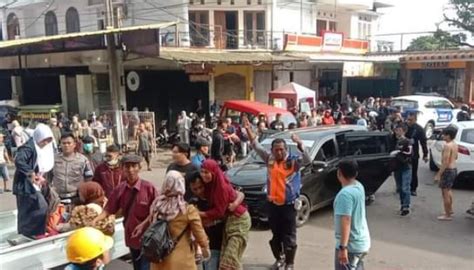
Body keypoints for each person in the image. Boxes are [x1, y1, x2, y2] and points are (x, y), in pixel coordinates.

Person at [243, 117, 311, 270]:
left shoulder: (293, 162)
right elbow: (256, 145)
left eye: (282, 149)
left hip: (289, 206)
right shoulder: (270, 160)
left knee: (289, 237)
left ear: (286, 150)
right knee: (276, 237)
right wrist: (248, 129)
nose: (279, 152)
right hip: (273, 205)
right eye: (276, 150)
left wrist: (300, 144)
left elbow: (307, 160)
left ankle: (290, 263)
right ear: (272, 151)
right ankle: (279, 259)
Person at [93, 154, 158, 270]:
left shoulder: (149, 188)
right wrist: (95, 220)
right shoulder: (120, 189)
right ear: (122, 169)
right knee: (137, 266)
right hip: (131, 237)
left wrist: (144, 224)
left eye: (134, 166)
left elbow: (157, 212)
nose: (131, 170)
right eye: (127, 167)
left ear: (140, 167)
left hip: (148, 238)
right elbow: (109, 209)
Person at [138, 171, 210, 270]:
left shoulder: (157, 205)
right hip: (182, 262)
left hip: (159, 260)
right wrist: (205, 248)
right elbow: (200, 234)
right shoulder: (187, 210)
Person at [199, 160, 251, 270]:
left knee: (229, 259)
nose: (204, 175)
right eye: (202, 172)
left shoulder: (221, 187)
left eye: (207, 172)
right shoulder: (211, 185)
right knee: (229, 259)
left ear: (214, 173)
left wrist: (200, 214)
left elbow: (219, 212)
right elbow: (239, 194)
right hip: (229, 224)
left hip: (239, 221)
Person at [13, 124, 55, 238]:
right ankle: (29, 232)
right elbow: (19, 161)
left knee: (32, 208)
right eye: (44, 140)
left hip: (33, 185)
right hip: (24, 186)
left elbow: (40, 166)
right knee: (39, 206)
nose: (46, 143)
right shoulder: (28, 147)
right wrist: (30, 173)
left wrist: (38, 176)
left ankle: (33, 232)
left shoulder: (39, 148)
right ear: (39, 137)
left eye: (48, 141)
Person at [334, 159, 371, 270]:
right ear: (356, 173)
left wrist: (343, 247)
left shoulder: (345, 195)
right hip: (362, 243)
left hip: (351, 246)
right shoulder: (359, 186)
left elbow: (346, 220)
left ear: (339, 173)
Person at [51, 133, 93, 204]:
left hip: (76, 197)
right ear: (60, 145)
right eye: (63, 143)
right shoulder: (53, 159)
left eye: (69, 143)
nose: (66, 145)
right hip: (57, 197)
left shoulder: (83, 160)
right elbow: (47, 177)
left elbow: (89, 177)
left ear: (74, 144)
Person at [434, 127, 458, 221]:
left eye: (444, 134)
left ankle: (447, 214)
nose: (443, 136)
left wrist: (439, 174)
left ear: (448, 135)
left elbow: (445, 162)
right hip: (454, 168)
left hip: (448, 170)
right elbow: (455, 157)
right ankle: (450, 210)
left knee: (445, 193)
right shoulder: (455, 144)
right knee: (448, 190)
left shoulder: (447, 146)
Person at [405, 112, 429, 196]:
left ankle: (413, 188)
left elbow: (423, 142)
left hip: (413, 154)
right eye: (408, 119)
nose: (408, 121)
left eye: (410, 120)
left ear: (415, 119)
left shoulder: (419, 129)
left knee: (413, 172)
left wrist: (425, 154)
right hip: (403, 153)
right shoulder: (404, 127)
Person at [392, 123, 413, 216]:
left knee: (405, 187)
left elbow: (409, 153)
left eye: (399, 130)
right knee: (400, 188)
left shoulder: (407, 142)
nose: (397, 132)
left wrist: (399, 152)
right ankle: (402, 204)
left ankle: (406, 206)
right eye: (397, 130)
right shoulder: (395, 140)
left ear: (404, 131)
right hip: (397, 168)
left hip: (406, 167)